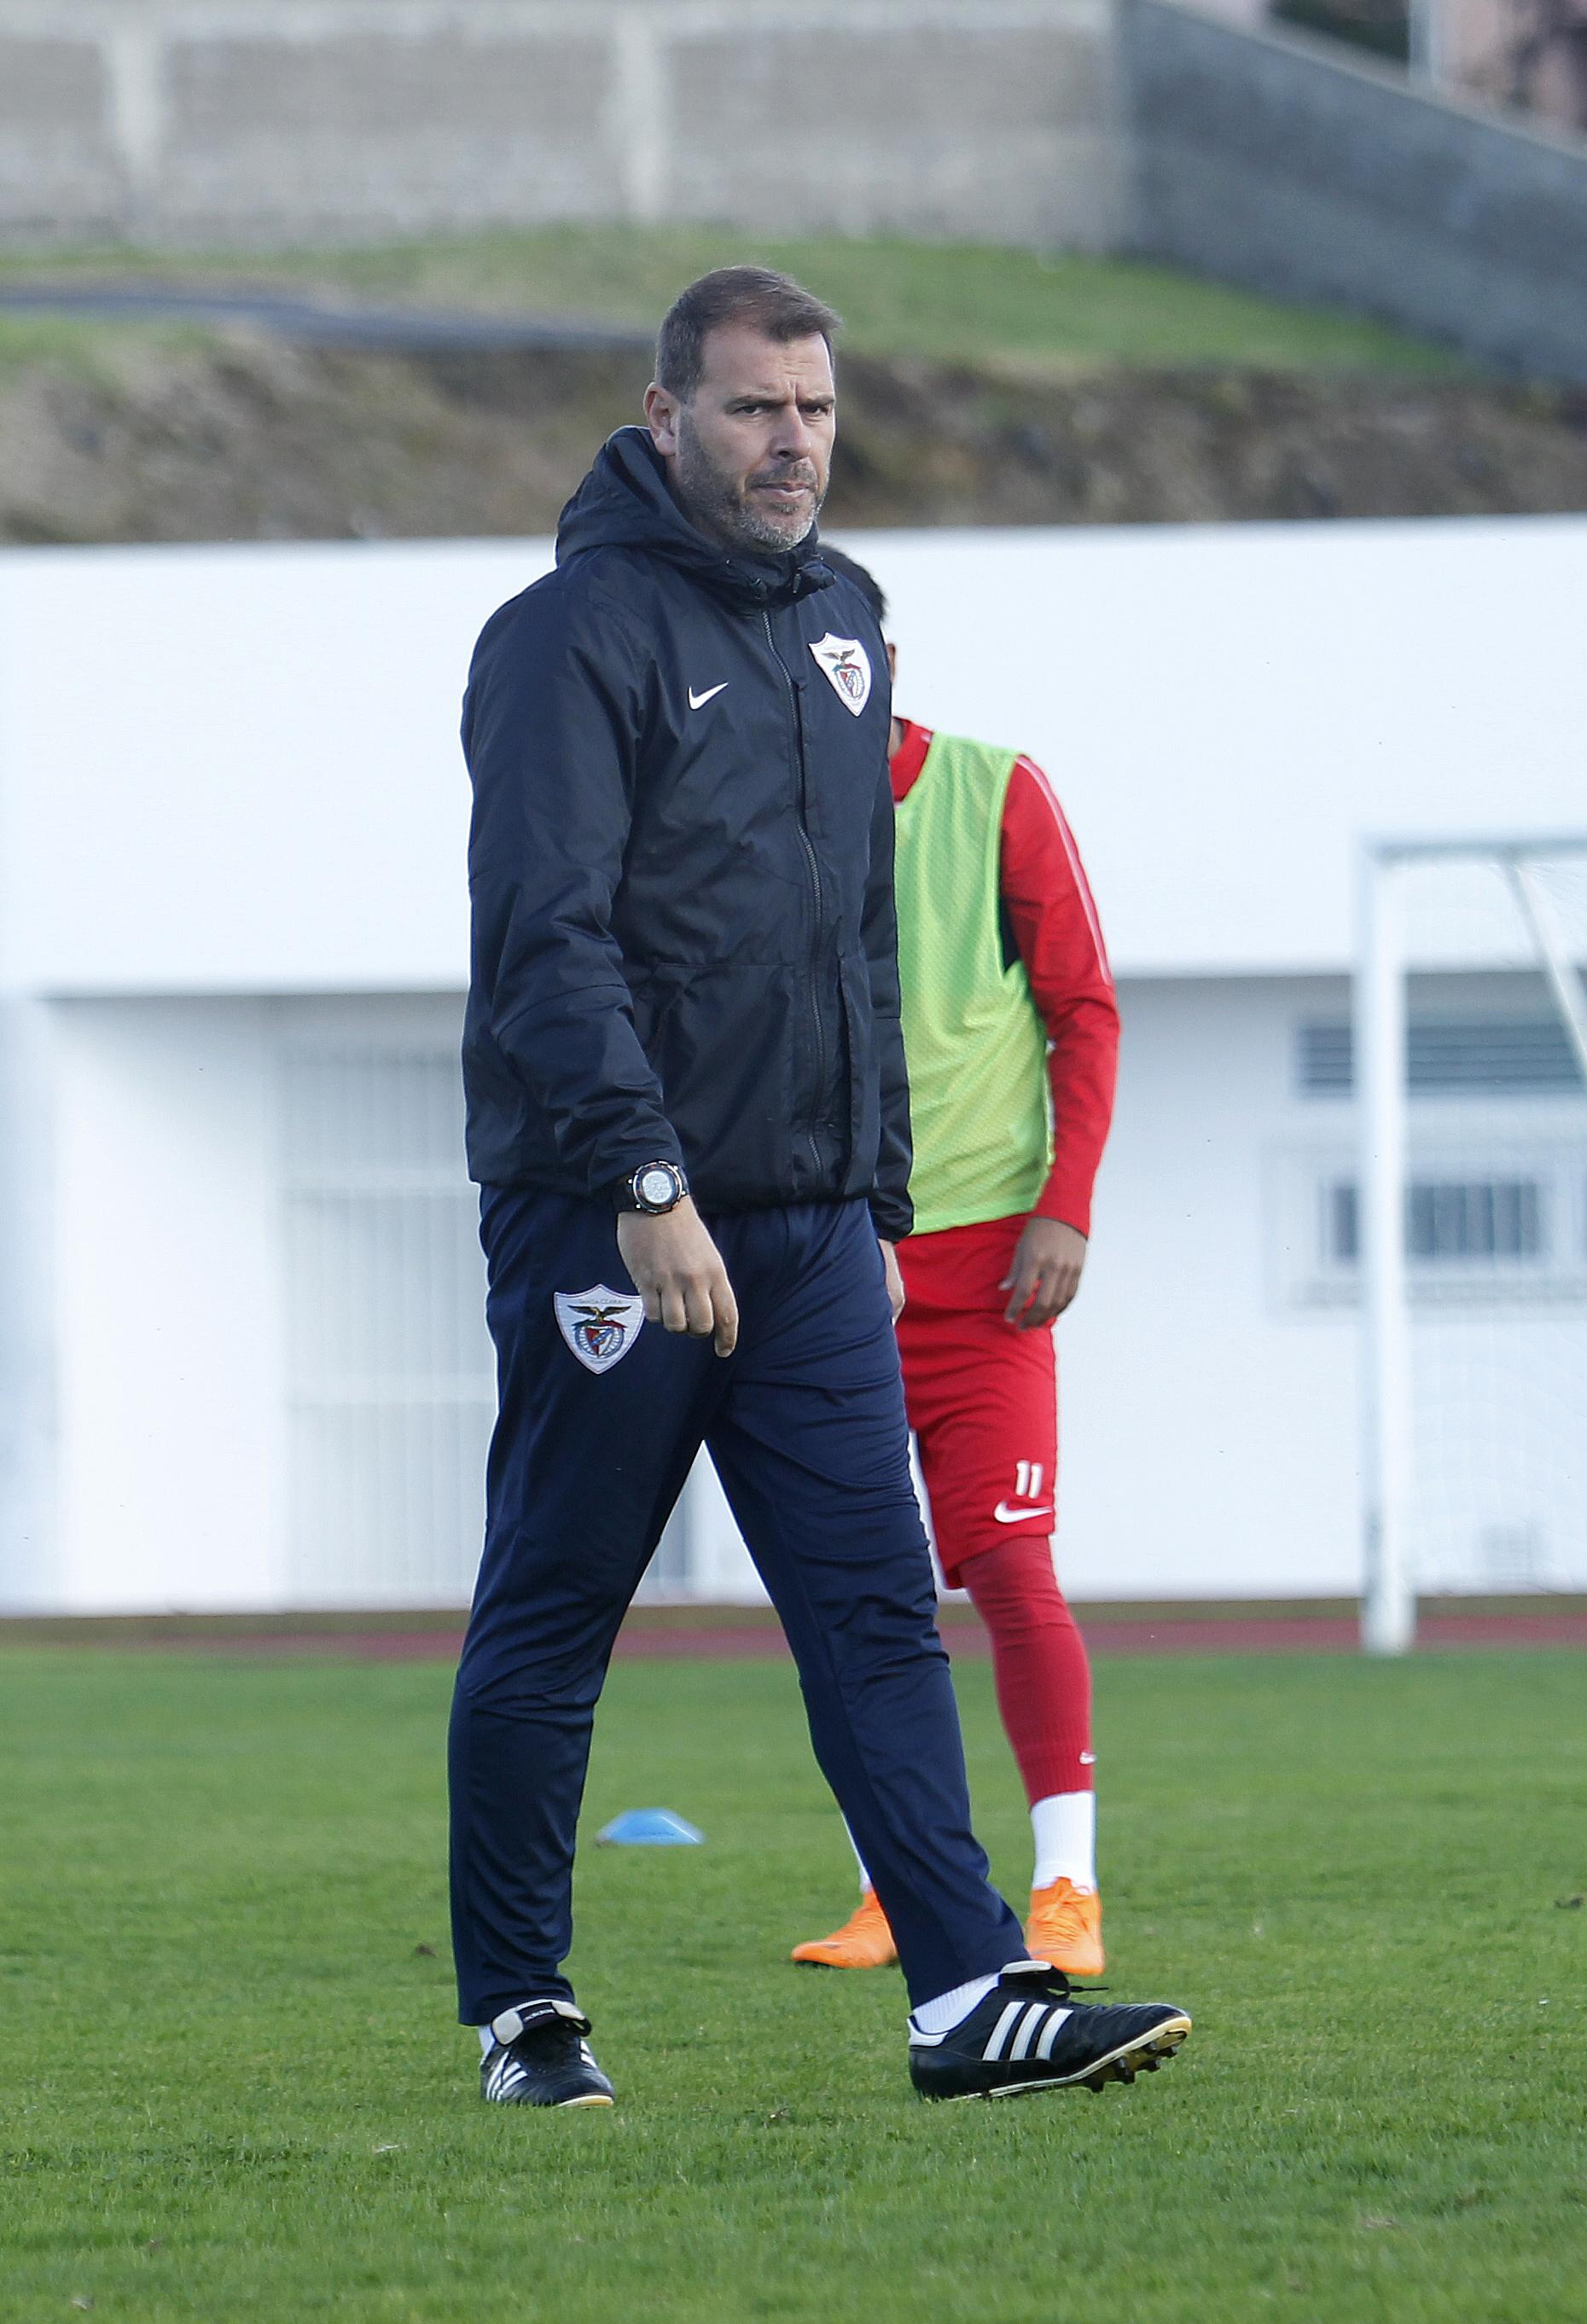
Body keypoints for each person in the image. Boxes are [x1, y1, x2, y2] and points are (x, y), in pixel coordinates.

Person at [450, 264, 1190, 2109]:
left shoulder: (849, 623)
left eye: (814, 410)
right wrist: (638, 1175)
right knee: (555, 1613)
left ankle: (967, 1998)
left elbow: (852, 939)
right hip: (613, 1224)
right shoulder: (564, 637)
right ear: (666, 419)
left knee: (878, 1611)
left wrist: (869, 1200)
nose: (791, 443)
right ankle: (522, 2012)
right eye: (753, 408)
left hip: (800, 1238)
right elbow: (545, 942)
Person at [784, 550, 1125, 1981]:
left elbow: (1083, 1010)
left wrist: (1067, 1207)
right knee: (861, 1586)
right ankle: (897, 1887)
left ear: (886, 665)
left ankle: (1067, 1891)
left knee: (1006, 1566)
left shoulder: (997, 790)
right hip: (821, 1260)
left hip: (990, 1267)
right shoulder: (757, 815)